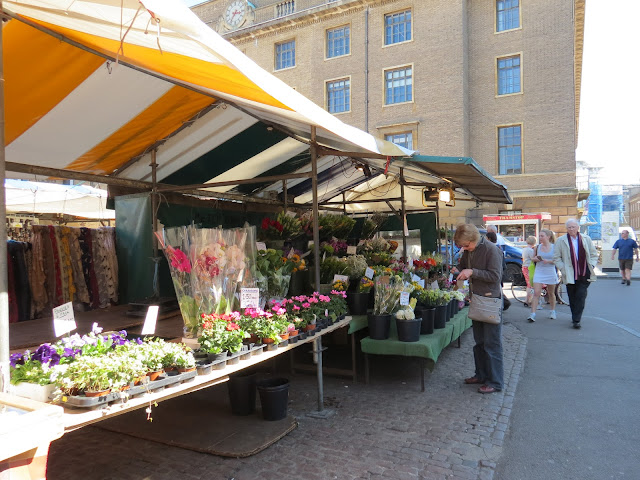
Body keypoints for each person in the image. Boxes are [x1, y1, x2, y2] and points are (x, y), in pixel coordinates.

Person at [454, 224, 504, 394]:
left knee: (492, 344)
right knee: (479, 343)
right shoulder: (469, 250)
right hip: (477, 299)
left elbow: (495, 276)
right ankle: (481, 375)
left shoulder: (491, 250)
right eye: (463, 246)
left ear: (474, 239)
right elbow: (463, 267)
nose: (464, 249)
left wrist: (472, 272)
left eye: (466, 245)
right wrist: (458, 270)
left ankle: (495, 381)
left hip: (490, 301)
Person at [553, 218, 598, 329]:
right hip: (569, 273)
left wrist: (591, 266)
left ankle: (577, 319)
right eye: (569, 227)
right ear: (567, 229)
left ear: (578, 227)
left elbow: (593, 254)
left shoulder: (586, 239)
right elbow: (556, 257)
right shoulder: (561, 240)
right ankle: (574, 315)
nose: (572, 229)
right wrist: (562, 268)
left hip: (584, 272)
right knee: (572, 297)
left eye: (573, 227)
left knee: (581, 295)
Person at [527, 229, 558, 322]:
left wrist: (548, 261)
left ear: (548, 237)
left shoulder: (554, 247)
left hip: (550, 271)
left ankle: (552, 311)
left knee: (551, 293)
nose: (540, 238)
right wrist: (535, 259)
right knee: (536, 293)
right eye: (539, 236)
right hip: (539, 271)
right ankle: (532, 314)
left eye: (542, 236)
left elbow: (557, 260)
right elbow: (532, 258)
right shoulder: (537, 247)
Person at [485, 231, 511, 311]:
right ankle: (503, 304)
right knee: (499, 290)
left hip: (496, 273)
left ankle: (502, 305)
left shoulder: (492, 249)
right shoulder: (498, 247)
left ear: (489, 239)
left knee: (497, 291)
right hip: (499, 272)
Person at [521, 236, 537, 307]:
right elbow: (533, 258)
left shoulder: (524, 249)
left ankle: (527, 300)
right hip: (529, 267)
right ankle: (528, 300)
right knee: (531, 284)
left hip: (524, 266)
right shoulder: (530, 250)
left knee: (528, 284)